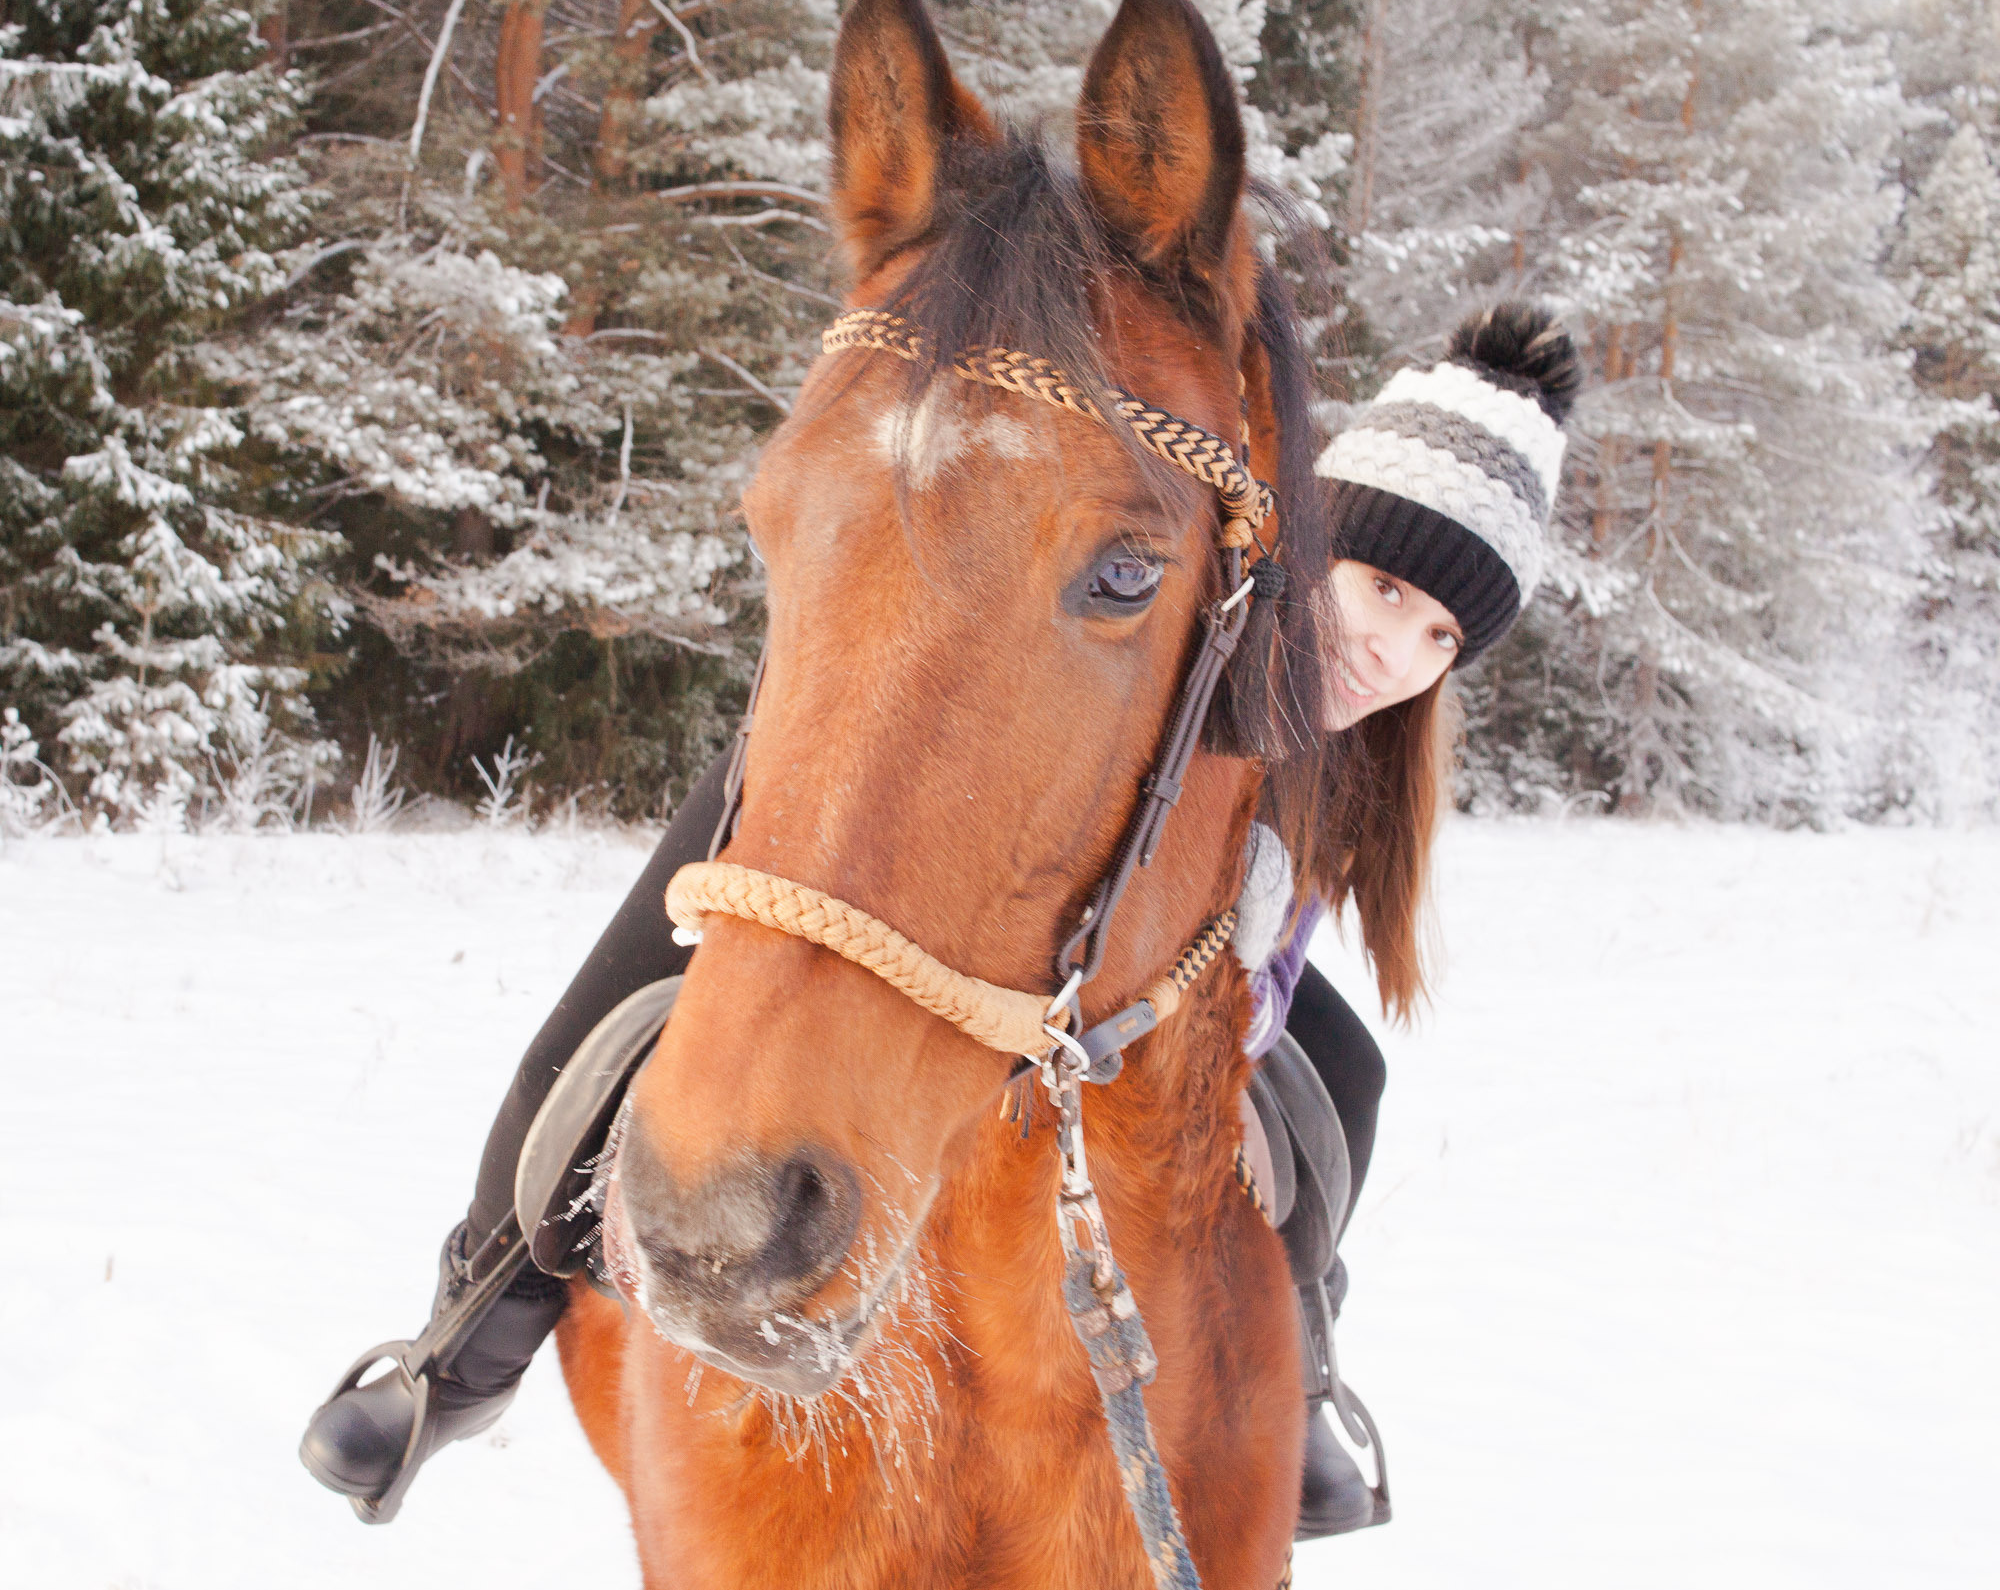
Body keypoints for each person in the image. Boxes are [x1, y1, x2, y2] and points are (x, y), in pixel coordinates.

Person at [300, 302, 1581, 1539]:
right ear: (1303, 543)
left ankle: (1296, 1368)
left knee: (1343, 1069)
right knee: (616, 1003)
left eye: (1439, 634)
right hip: (866, 803)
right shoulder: (1186, 623)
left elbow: (1260, 951)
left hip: (1138, 979)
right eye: (1375, 587)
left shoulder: (1358, 758)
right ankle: (467, 1332)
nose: (1392, 650)